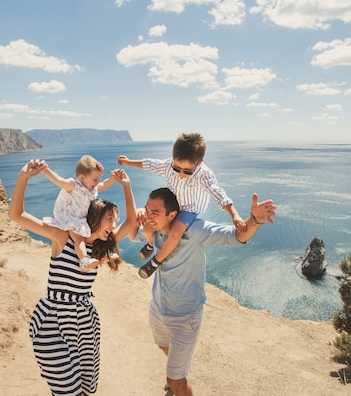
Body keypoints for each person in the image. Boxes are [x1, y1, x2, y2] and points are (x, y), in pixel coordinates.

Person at [129, 187, 276, 396]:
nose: (149, 216)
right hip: (158, 308)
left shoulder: (195, 230)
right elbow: (130, 232)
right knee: (163, 346)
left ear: (172, 215)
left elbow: (236, 236)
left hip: (185, 316)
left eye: (155, 212)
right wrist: (133, 204)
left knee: (175, 379)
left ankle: (176, 381)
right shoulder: (153, 229)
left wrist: (254, 220)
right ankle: (177, 368)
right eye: (147, 210)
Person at [8, 159, 137, 396]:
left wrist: (126, 186)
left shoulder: (100, 247)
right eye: (110, 219)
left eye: (114, 221)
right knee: (67, 390)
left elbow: (131, 222)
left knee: (85, 391)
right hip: (53, 322)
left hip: (84, 324)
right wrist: (22, 178)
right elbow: (16, 214)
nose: (114, 224)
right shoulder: (63, 237)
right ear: (96, 217)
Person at [117, 132, 246, 279]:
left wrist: (234, 214)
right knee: (148, 226)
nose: (181, 174)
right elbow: (150, 164)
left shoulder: (204, 174)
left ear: (199, 163)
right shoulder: (168, 165)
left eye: (187, 171)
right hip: (172, 204)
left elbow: (218, 193)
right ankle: (151, 244)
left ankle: (155, 261)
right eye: (177, 168)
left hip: (189, 210)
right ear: (173, 160)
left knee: (176, 233)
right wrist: (128, 162)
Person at [40, 155, 117, 272]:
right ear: (82, 177)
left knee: (96, 233)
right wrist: (45, 170)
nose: (97, 183)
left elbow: (104, 185)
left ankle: (102, 254)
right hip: (71, 219)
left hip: (82, 220)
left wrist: (114, 178)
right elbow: (59, 180)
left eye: (98, 179)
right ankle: (84, 260)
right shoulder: (73, 186)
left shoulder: (92, 189)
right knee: (80, 239)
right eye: (95, 179)